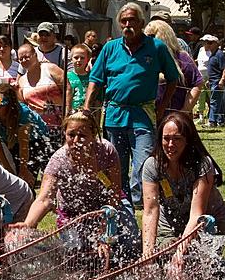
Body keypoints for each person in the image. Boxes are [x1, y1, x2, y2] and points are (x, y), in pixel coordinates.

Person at [11, 109, 140, 262]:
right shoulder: (58, 161)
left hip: (108, 208)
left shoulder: (106, 151)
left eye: (82, 136)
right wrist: (28, 224)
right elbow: (44, 199)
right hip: (73, 215)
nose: (76, 140)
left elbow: (114, 194)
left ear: (93, 136)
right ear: (64, 134)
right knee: (75, 253)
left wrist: (105, 231)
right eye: (71, 135)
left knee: (129, 243)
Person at [85, 2, 180, 207]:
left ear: (142, 22)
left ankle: (139, 202)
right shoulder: (110, 48)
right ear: (119, 24)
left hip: (143, 115)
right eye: (124, 21)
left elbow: (173, 78)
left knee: (144, 161)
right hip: (114, 114)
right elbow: (95, 80)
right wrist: (86, 108)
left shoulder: (156, 48)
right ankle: (120, 200)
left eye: (132, 20)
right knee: (116, 163)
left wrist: (162, 106)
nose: (128, 24)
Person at [141, 112, 225, 253]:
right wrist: (147, 253)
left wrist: (180, 253)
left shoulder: (202, 164)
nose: (170, 145)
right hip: (170, 225)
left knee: (196, 261)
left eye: (177, 139)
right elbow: (150, 211)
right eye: (166, 139)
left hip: (206, 221)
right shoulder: (152, 166)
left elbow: (196, 214)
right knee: (163, 257)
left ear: (188, 140)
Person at [0, 83, 50, 187]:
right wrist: (8, 170)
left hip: (35, 140)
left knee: (26, 178)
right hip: (10, 139)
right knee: (10, 176)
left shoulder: (23, 113)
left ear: (9, 105)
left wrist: (23, 169)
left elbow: (23, 145)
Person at [144, 20, 201, 115]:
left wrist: (184, 110)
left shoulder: (182, 57)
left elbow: (198, 83)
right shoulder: (142, 57)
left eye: (152, 36)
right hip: (146, 116)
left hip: (173, 116)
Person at [17, 40, 64, 132]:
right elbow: (22, 105)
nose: (24, 60)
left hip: (60, 124)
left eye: (26, 57)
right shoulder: (21, 81)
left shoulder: (51, 68)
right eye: (21, 59)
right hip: (36, 129)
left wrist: (67, 112)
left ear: (35, 55)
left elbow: (68, 89)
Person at [202, 34, 225, 126]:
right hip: (212, 81)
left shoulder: (219, 54)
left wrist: (222, 80)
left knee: (214, 102)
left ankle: (212, 121)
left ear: (215, 44)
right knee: (218, 102)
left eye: (209, 43)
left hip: (217, 82)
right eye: (205, 43)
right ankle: (222, 121)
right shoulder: (213, 55)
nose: (206, 45)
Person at [64, 42, 91, 113]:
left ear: (88, 59)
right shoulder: (66, 76)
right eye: (76, 57)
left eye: (82, 58)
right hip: (71, 112)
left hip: (87, 113)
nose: (79, 60)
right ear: (71, 59)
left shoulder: (91, 77)